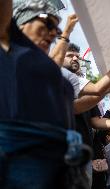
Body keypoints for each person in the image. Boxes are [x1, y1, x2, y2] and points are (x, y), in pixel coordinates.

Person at [0, 0, 75, 188]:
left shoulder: (54, 76)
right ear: (20, 22)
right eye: (47, 23)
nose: (53, 33)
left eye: (56, 30)